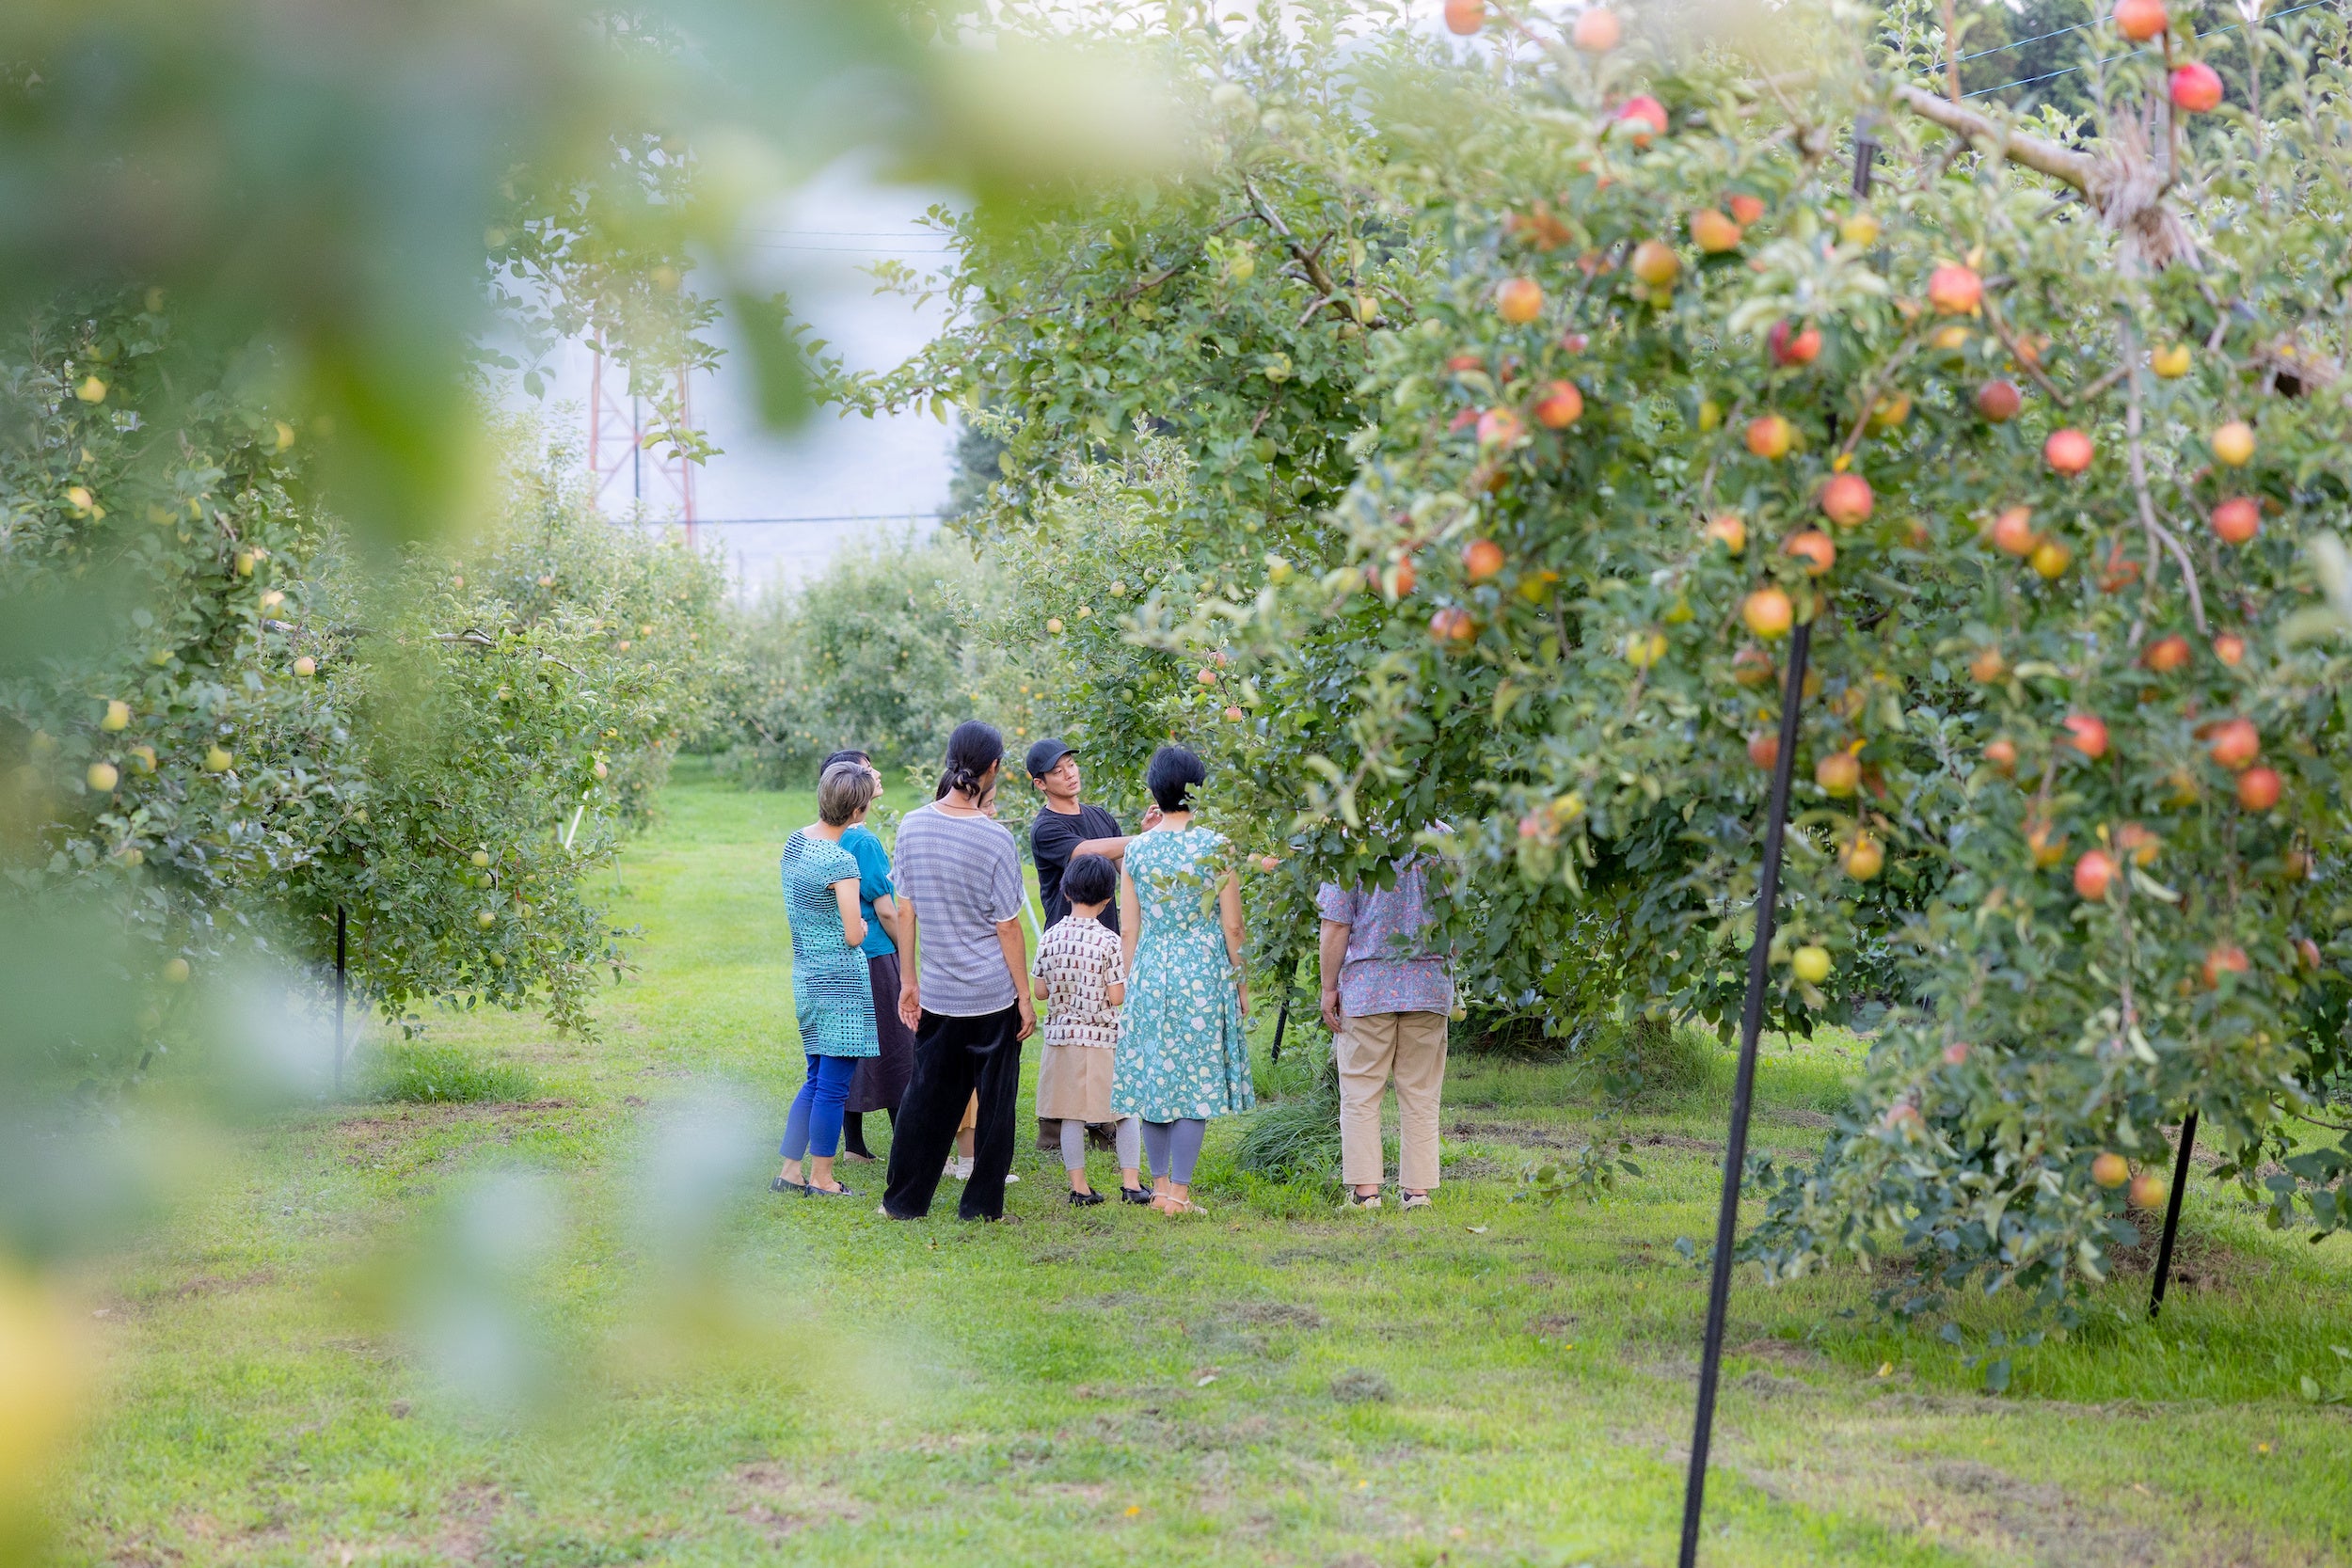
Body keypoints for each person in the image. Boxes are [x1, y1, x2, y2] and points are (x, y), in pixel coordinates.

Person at [880, 722, 1035, 1222]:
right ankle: (981, 1207)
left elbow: (906, 911)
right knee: (995, 1106)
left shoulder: (910, 825)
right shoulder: (995, 839)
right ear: (993, 769)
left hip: (939, 993)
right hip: (992, 996)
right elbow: (1008, 927)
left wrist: (908, 982)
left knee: (925, 1100)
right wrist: (1025, 997)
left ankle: (903, 1203)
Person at [1111, 745, 1253, 1216]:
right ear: (1197, 789)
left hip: (1152, 967)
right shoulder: (1217, 846)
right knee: (1195, 1082)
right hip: (1202, 968)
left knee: (1155, 1079)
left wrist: (1132, 981)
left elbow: (1128, 926)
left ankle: (1159, 1187)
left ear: (1156, 790)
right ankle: (1181, 1195)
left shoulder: (1138, 848)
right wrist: (1242, 983)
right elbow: (1233, 927)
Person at [1317, 844, 1454, 1211]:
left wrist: (1329, 988)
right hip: (1429, 982)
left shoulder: (1351, 845)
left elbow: (1335, 923)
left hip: (1368, 987)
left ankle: (1366, 1195)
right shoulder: (1445, 842)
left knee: (1361, 1091)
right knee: (1421, 1093)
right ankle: (1417, 1193)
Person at [772, 760, 882, 1198]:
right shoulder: (841, 860)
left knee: (815, 1078)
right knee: (834, 1085)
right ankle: (821, 1177)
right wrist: (865, 929)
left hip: (807, 976)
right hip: (842, 983)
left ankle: (790, 1170)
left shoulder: (795, 843)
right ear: (857, 812)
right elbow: (855, 933)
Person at [1031, 853, 1145, 1206]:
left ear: (1066, 892)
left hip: (1062, 1040)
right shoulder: (1109, 941)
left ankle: (1079, 1189)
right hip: (1103, 1040)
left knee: (1070, 1115)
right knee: (1125, 1110)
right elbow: (1116, 995)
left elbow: (1040, 991)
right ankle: (1131, 1184)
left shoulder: (1051, 936)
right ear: (1108, 899)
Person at [819, 749, 914, 1165]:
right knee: (898, 1049)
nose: (874, 771)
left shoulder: (821, 835)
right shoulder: (865, 839)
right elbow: (886, 908)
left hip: (837, 956)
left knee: (849, 1046)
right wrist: (907, 951)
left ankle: (855, 1146)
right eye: (865, 766)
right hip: (875, 954)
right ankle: (909, 1146)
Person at [1025, 737, 1159, 932]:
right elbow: (1085, 851)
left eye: (1071, 765)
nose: (1069, 774)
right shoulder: (1045, 828)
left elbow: (1128, 869)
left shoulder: (1101, 816)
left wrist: (1148, 836)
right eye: (1058, 772)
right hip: (1067, 945)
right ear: (1040, 783)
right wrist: (1147, 838)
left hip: (1107, 941)